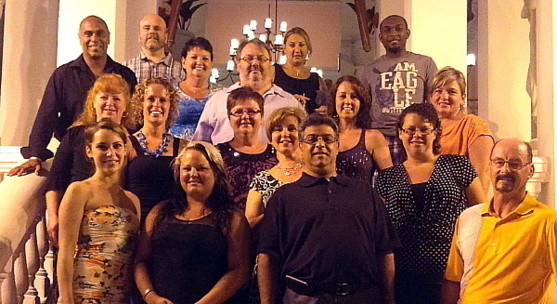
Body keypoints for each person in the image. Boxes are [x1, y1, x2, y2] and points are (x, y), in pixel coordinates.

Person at [258, 113, 400, 304]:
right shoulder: (283, 198)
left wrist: (389, 299)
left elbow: (385, 251)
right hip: (303, 298)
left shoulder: (365, 193)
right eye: (311, 139)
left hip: (362, 297)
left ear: (337, 145)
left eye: (327, 139)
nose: (320, 144)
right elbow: (267, 256)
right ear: (301, 145)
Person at [375, 103, 484, 304]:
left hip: (452, 275)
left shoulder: (458, 165)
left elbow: (482, 216)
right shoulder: (387, 178)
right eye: (410, 129)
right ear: (400, 133)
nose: (417, 134)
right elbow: (380, 231)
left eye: (424, 129)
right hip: (403, 277)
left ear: (435, 132)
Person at [8, 15, 137, 177]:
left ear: (108, 37)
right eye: (88, 34)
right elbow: (47, 116)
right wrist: (36, 156)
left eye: (100, 33)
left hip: (115, 156)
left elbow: (134, 117)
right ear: (80, 38)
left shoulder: (126, 75)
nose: (94, 38)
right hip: (75, 155)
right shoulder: (63, 75)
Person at [442, 138, 557, 304]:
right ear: (489, 168)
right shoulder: (468, 217)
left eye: (515, 164)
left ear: (530, 171)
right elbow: (453, 280)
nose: (505, 169)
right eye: (499, 162)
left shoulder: (548, 221)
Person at [134, 141, 250, 304]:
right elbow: (141, 261)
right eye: (187, 169)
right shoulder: (159, 212)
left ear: (216, 173)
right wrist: (151, 296)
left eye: (201, 168)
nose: (193, 174)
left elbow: (239, 271)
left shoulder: (232, 218)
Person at [44, 74, 137, 244]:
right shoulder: (74, 135)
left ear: (125, 107)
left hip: (118, 226)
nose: (110, 103)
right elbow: (56, 178)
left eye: (116, 98)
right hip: (77, 219)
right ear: (93, 103)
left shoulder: (133, 142)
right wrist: (53, 216)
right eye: (104, 97)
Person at [57, 119, 140, 304]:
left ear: (125, 149)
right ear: (89, 151)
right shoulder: (79, 190)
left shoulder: (133, 201)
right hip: (85, 293)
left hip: (122, 296)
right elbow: (66, 249)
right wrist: (65, 298)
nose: (111, 153)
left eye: (117, 146)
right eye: (102, 147)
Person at [360, 15, 438, 165]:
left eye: (399, 29)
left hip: (414, 135)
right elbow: (364, 106)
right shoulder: (368, 69)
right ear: (381, 37)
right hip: (380, 137)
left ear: (407, 33)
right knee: (382, 184)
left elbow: (433, 102)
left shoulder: (425, 63)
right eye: (387, 30)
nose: (393, 33)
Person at [193, 38, 302, 144]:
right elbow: (200, 145)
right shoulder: (217, 101)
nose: (255, 63)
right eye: (248, 58)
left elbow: (304, 143)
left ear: (271, 67)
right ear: (238, 66)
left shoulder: (289, 103)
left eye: (261, 59)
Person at [126, 77, 186, 221]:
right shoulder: (126, 143)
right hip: (135, 220)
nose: (156, 104)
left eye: (163, 100)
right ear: (141, 103)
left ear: (170, 106)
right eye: (151, 99)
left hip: (171, 222)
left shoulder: (183, 146)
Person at [429, 66, 494, 194]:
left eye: (451, 92)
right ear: (431, 97)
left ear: (462, 97)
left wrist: (475, 211)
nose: (444, 96)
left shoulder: (473, 125)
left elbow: (482, 176)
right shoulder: (425, 128)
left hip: (462, 205)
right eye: (438, 91)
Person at [216, 87, 278, 211]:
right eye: (238, 112)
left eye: (251, 111)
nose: (245, 116)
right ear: (229, 118)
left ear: (262, 116)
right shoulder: (216, 154)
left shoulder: (277, 154)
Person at [245, 107, 307, 228]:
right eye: (278, 129)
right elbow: (249, 223)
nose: (285, 134)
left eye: (292, 129)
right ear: (271, 138)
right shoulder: (262, 179)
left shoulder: (315, 173)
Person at [330, 75, 393, 183]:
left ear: (361, 103)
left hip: (362, 199)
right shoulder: (324, 136)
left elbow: (390, 181)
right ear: (334, 100)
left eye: (354, 96)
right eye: (342, 96)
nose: (348, 101)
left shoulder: (373, 137)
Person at [168, 37, 215, 140]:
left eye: (205, 58)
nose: (199, 62)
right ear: (183, 62)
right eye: (194, 57)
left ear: (211, 64)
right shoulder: (170, 92)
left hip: (210, 153)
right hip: (175, 151)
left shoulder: (220, 95)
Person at [273, 27, 326, 114]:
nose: (297, 50)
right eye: (292, 45)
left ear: (308, 49)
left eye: (301, 45)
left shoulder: (316, 79)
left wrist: (326, 109)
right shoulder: (273, 71)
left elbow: (326, 105)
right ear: (284, 49)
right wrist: (288, 100)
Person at [123, 13, 185, 83]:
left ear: (166, 36)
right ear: (139, 36)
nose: (152, 32)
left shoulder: (181, 71)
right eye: (147, 28)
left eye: (157, 28)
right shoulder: (126, 69)